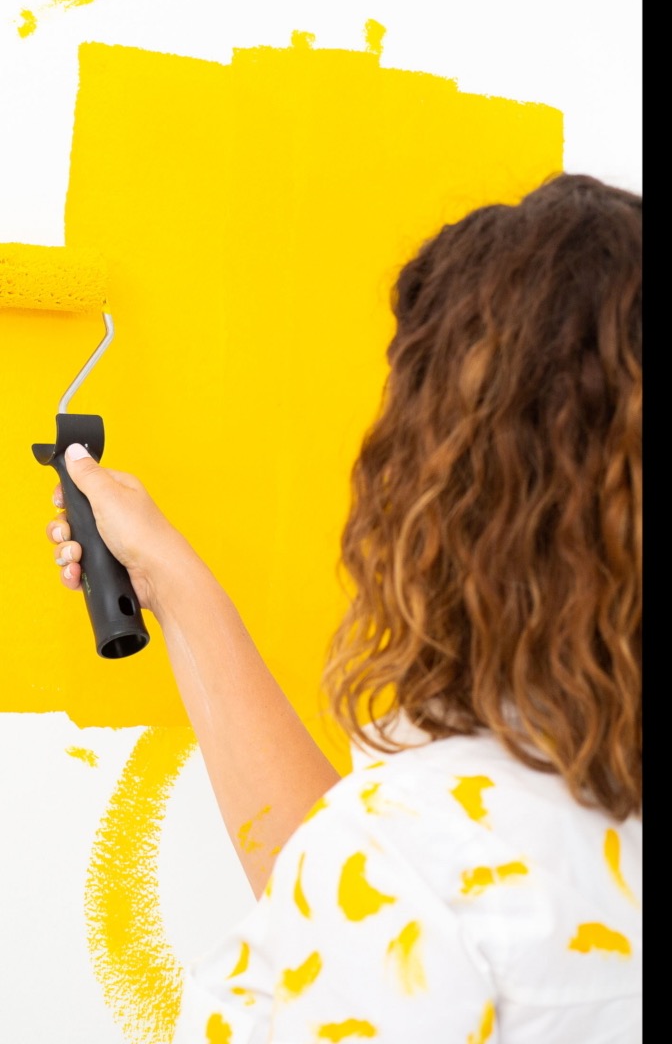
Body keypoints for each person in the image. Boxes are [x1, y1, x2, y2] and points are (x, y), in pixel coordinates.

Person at [46, 175, 642, 1042]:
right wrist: (171, 582)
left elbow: (387, 907)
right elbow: (365, 916)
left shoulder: (418, 866)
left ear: (453, 486)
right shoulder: (458, 848)